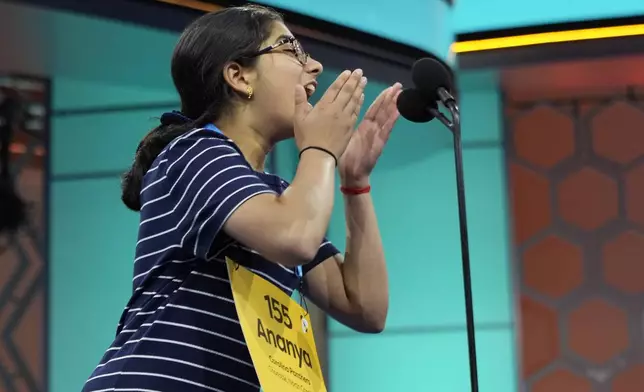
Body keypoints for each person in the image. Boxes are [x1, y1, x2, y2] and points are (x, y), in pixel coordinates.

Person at [83, 5, 400, 392]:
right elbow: (295, 237)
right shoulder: (195, 150)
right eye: (291, 49)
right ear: (238, 75)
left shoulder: (279, 196)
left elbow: (365, 306)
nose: (314, 66)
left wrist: (355, 181)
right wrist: (320, 150)